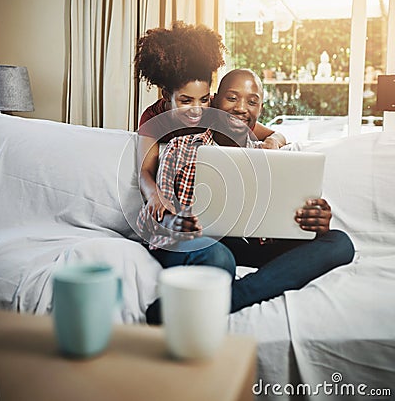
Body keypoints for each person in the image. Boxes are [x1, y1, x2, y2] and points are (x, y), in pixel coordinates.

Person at [137, 68, 355, 324]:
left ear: (260, 109)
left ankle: (233, 296)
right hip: (199, 244)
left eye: (252, 101)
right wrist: (176, 222)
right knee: (219, 259)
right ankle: (245, 291)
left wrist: (314, 223)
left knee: (340, 243)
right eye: (232, 98)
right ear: (215, 101)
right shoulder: (182, 148)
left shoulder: (273, 159)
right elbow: (154, 222)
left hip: (253, 247)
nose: (242, 108)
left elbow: (280, 223)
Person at [135, 21, 286, 223]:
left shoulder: (218, 109)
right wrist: (154, 196)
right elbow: (145, 171)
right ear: (167, 95)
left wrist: (274, 141)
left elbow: (272, 134)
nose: (197, 110)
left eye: (204, 99)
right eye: (185, 101)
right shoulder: (153, 119)